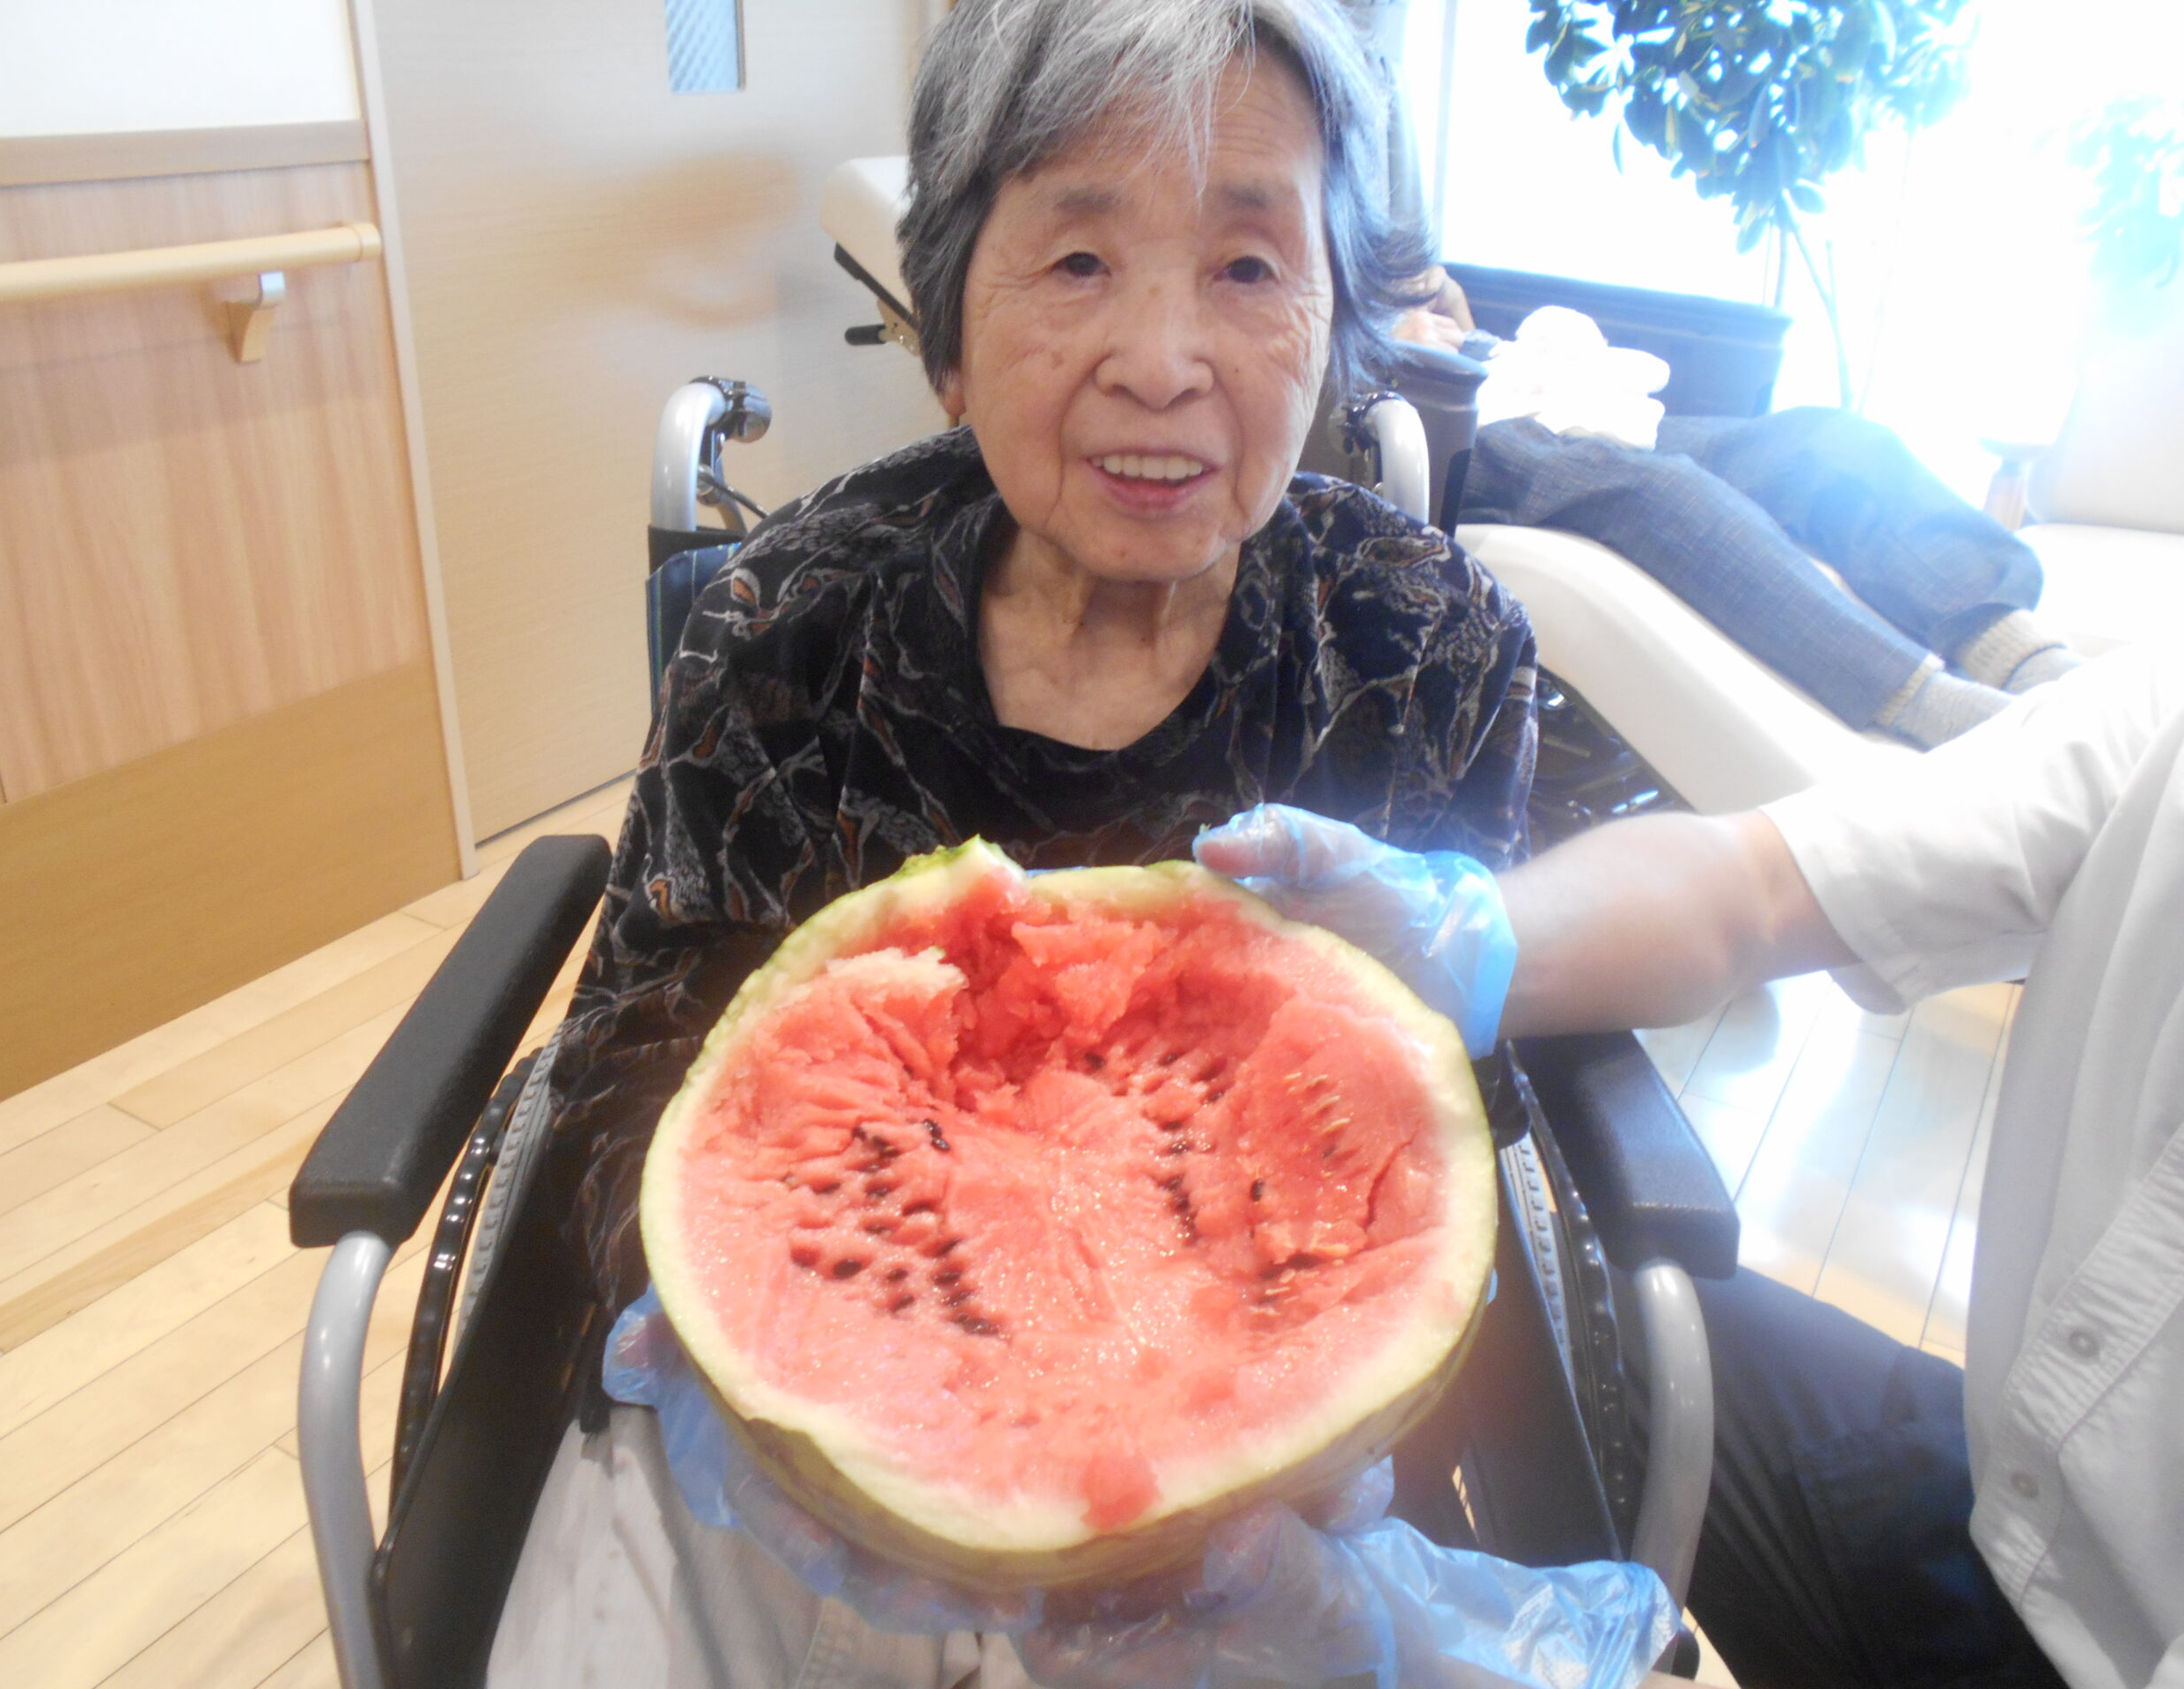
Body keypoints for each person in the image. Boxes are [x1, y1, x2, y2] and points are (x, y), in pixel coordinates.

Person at [490, 2, 1540, 1681]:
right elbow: (637, 1043)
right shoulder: (785, 630)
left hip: (1272, 1538)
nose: (1162, 359)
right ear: (946, 334)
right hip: (787, 1494)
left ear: (1341, 328)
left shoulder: (1423, 649)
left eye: (1251, 268)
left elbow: (1432, 1142)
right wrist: (759, 1357)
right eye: (1075, 262)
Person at [1200, 644, 2184, 1689]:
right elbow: (1751, 887)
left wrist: (1473, 1664)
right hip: (1995, 1485)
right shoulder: (2159, 716)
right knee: (1573, 1310)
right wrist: (1459, 933)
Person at [1394, 279, 2083, 749]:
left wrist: (1445, 300)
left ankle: (2025, 659)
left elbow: (1446, 293)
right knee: (1646, 487)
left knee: (1827, 443)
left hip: (1516, 385)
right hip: (1419, 415)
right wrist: (1386, 328)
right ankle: (1936, 710)